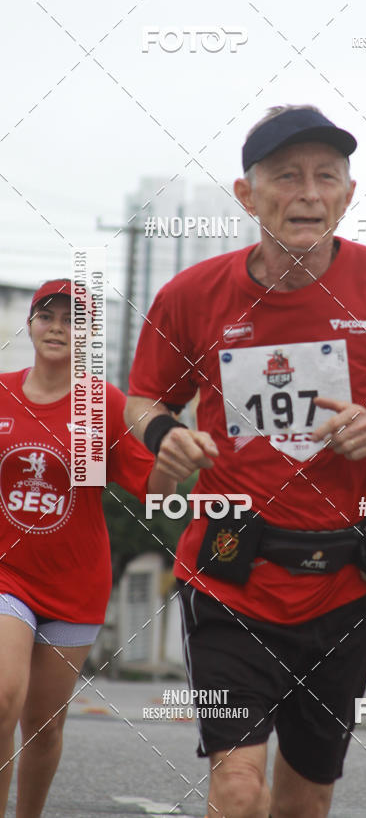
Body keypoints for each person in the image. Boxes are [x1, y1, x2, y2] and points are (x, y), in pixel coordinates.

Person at [125, 104, 366, 818]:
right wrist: (164, 435)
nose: (309, 192)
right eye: (286, 176)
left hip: (343, 582)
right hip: (230, 573)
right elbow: (143, 398)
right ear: (247, 195)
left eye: (326, 176)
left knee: (305, 800)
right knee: (237, 787)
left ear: (348, 193)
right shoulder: (191, 296)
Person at [0, 280, 175, 818]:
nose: (57, 328)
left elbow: (153, 489)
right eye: (47, 316)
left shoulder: (105, 405)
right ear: (30, 324)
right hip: (8, 575)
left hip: (75, 584)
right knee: (3, 697)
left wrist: (173, 458)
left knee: (43, 726)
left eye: (72, 320)